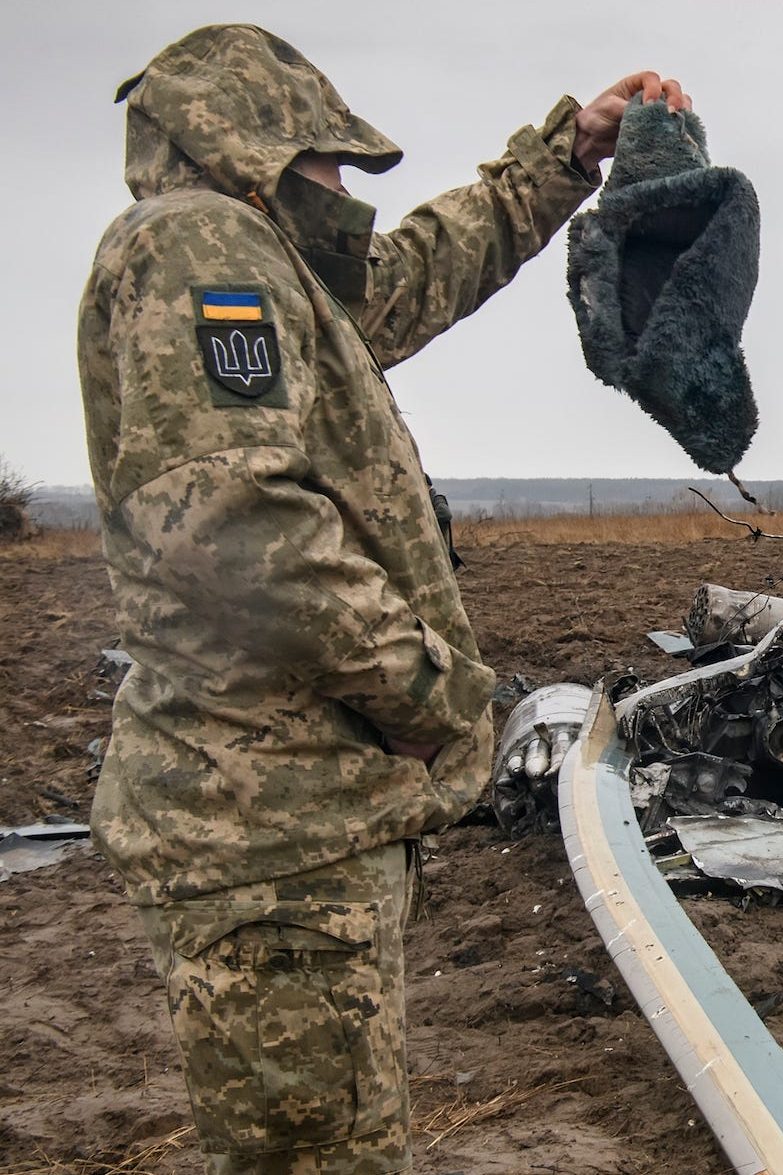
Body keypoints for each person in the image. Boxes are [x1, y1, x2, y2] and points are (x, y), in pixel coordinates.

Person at [76, 24, 685, 1172]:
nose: (344, 190)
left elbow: (405, 278)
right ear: (250, 144)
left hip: (287, 813)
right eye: (331, 161)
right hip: (269, 822)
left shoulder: (263, 262)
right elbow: (240, 524)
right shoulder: (201, 244)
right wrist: (424, 692)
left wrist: (566, 155)